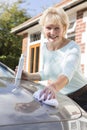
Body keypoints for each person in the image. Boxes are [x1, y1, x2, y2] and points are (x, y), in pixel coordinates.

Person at [15, 7, 87, 111]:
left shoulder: (73, 48)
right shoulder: (45, 48)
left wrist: (53, 87)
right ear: (43, 28)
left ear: (64, 28)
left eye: (57, 28)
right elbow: (46, 73)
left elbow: (67, 73)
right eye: (49, 28)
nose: (52, 32)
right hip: (62, 97)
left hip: (82, 96)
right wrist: (28, 76)